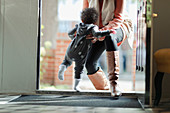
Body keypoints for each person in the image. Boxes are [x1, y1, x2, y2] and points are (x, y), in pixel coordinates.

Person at [83, 0, 133, 97]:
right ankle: (105, 90)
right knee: (89, 64)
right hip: (98, 29)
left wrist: (102, 31)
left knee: (110, 36)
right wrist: (89, 31)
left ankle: (114, 84)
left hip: (119, 25)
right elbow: (86, 16)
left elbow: (118, 19)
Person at [58, 8, 115, 91]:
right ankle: (76, 87)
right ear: (95, 21)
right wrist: (108, 32)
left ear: (82, 19)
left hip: (71, 49)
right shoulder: (93, 27)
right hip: (80, 54)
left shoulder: (78, 26)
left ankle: (63, 67)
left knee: (67, 61)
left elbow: (70, 33)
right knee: (78, 70)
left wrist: (73, 37)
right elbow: (97, 34)